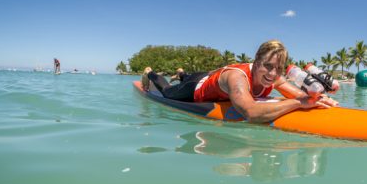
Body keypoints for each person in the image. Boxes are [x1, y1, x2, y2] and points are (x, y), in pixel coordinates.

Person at [144, 40, 338, 123]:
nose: (272, 73)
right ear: (257, 60)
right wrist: (298, 103)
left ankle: (182, 72)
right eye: (268, 66)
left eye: (278, 68)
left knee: (190, 75)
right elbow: (251, 113)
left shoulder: (274, 77)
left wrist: (318, 99)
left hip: (210, 76)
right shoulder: (238, 77)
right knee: (168, 91)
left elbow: (301, 95)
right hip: (196, 88)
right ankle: (151, 73)